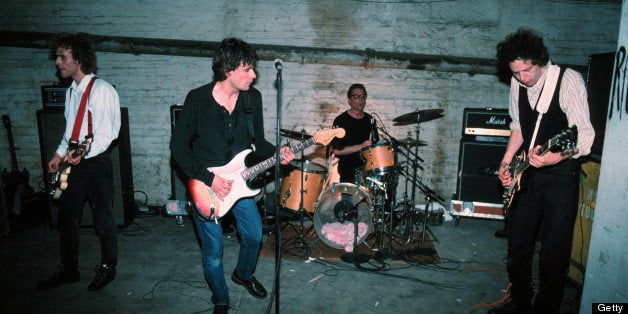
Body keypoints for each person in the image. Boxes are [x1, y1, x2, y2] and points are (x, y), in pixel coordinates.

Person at [170, 37, 295, 314]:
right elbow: (178, 147)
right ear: (228, 70)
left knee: (254, 235)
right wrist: (210, 179)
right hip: (206, 185)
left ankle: (243, 274)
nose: (254, 75)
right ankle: (221, 300)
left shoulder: (252, 98)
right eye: (248, 69)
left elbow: (259, 144)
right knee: (213, 254)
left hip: (241, 183)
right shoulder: (197, 99)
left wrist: (279, 152)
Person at [490, 29, 594, 313]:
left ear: (541, 60)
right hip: (528, 173)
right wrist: (506, 161)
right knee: (518, 244)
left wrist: (556, 157)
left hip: (561, 175)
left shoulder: (567, 80)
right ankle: (520, 301)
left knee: (553, 251)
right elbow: (518, 125)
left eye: (527, 70)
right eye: (516, 72)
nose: (523, 77)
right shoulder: (517, 83)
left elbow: (585, 137)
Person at [38, 32, 121, 291]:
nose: (58, 63)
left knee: (103, 218)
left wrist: (82, 153)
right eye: (58, 57)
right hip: (73, 162)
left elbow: (108, 133)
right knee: (66, 217)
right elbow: (70, 133)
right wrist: (59, 154)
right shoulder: (71, 92)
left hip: (95, 164)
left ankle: (108, 266)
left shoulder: (102, 90)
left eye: (63, 57)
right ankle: (69, 268)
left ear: (79, 59)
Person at [331, 84, 379, 183]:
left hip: (367, 172)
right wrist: (361, 146)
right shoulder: (341, 120)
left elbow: (375, 147)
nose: (360, 99)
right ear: (349, 100)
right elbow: (336, 151)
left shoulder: (371, 120)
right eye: (356, 96)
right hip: (347, 173)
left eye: (363, 96)